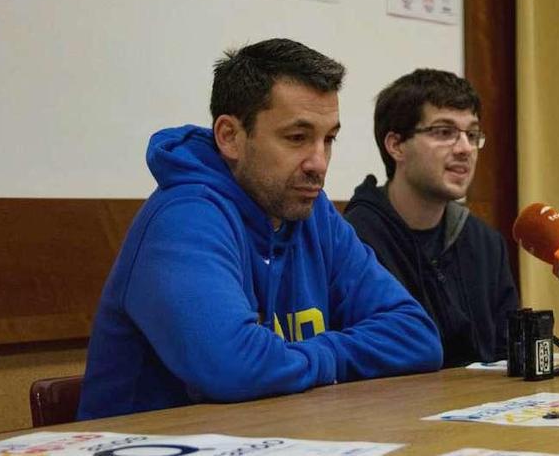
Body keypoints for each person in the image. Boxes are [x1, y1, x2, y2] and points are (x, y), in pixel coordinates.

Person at [78, 39, 442, 420]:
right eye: (297, 138)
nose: (319, 162)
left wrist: (306, 358)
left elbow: (416, 335)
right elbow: (233, 366)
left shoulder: (312, 212)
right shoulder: (184, 218)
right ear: (230, 137)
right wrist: (330, 357)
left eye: (329, 139)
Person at [344, 69, 518, 368]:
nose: (465, 149)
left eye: (472, 134)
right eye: (444, 132)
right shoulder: (354, 240)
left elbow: (507, 355)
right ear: (396, 145)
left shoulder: (486, 243)